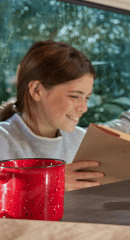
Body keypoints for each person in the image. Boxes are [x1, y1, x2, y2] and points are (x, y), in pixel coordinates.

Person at [0, 40, 104, 191]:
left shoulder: (84, 142)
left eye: (87, 97)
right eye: (75, 96)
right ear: (37, 90)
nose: (84, 108)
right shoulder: (3, 141)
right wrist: (49, 180)